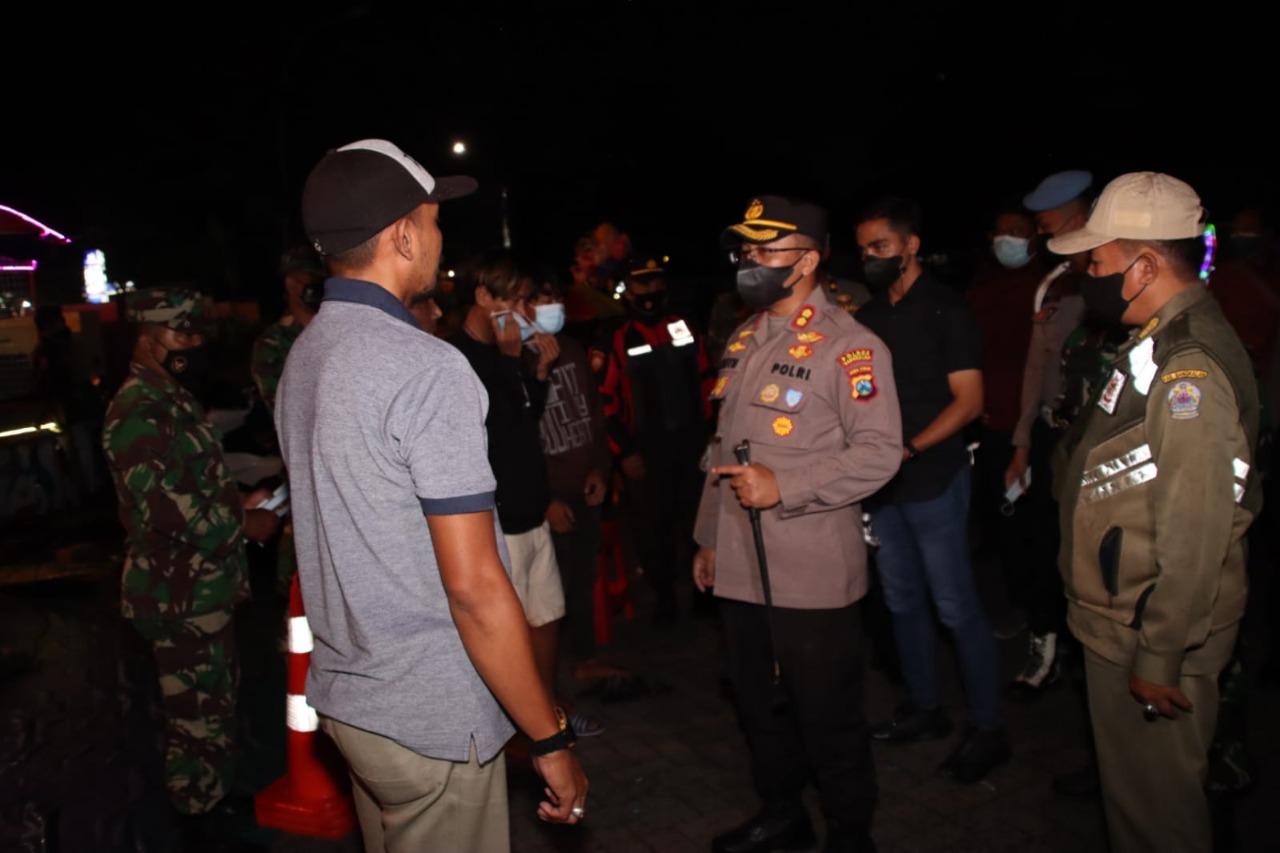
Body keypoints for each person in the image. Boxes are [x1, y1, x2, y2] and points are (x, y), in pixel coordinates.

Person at [275, 139, 587, 852]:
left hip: (355, 700)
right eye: (434, 221)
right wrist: (549, 737)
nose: (441, 239)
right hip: (428, 712)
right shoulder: (425, 368)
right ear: (404, 235)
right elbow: (475, 587)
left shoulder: (308, 353)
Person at [1050, 172, 1260, 853]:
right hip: (1128, 614)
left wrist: (1162, 654)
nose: (1089, 277)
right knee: (1138, 806)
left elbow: (1197, 530)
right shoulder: (1159, 339)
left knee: (1156, 820)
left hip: (1148, 627)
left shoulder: (1188, 368)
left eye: (1097, 263)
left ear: (1143, 267)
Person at [694, 195, 902, 853]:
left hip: (810, 574)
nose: (750, 262)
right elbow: (722, 449)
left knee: (827, 719)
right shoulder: (746, 337)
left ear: (808, 261)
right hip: (741, 565)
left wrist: (786, 485)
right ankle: (783, 814)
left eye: (766, 251)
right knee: (760, 710)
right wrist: (708, 537)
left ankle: (850, 834)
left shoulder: (851, 346)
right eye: (746, 251)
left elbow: (880, 453)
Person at [102, 288, 280, 820]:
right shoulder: (138, 410)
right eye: (182, 334)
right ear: (146, 338)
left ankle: (211, 795)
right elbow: (164, 508)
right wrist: (244, 524)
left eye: (198, 334)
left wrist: (238, 501)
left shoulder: (172, 399)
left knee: (214, 704)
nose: (193, 345)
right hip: (175, 593)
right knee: (196, 715)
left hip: (201, 588)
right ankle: (199, 813)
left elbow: (191, 486)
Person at [854, 197, 1010, 784]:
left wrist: (909, 448)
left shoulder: (947, 309)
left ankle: (988, 728)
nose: (871, 258)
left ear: (911, 245)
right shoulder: (868, 317)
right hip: (883, 485)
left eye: (881, 247)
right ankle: (925, 708)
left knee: (954, 604)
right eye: (864, 250)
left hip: (934, 475)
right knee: (901, 601)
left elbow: (968, 403)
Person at [447, 249, 567, 709]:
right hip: (495, 524)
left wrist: (537, 373)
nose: (523, 311)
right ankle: (519, 724)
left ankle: (547, 711)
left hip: (531, 509)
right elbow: (491, 432)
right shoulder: (455, 359)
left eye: (525, 300)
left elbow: (525, 424)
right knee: (508, 631)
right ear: (482, 297)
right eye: (513, 300)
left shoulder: (508, 354)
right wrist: (510, 362)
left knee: (547, 616)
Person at [1004, 170, 1095, 698]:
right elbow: (1035, 371)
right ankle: (1046, 649)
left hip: (1094, 441)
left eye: (1046, 223)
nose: (1040, 234)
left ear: (1077, 218)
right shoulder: (1054, 282)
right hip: (1049, 435)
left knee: (1090, 554)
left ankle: (1090, 656)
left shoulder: (1115, 277)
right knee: (1044, 548)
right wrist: (1021, 444)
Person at [601, 253, 715, 623]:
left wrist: (713, 435)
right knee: (652, 529)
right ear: (628, 290)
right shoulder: (616, 338)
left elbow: (707, 380)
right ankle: (664, 597)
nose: (651, 290)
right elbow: (604, 402)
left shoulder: (684, 326)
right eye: (642, 283)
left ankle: (704, 593)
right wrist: (625, 452)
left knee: (698, 522)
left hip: (692, 446)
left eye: (656, 281)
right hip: (645, 453)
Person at [250, 245, 325, 413]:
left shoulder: (336, 328)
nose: (321, 285)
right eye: (313, 279)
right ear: (291, 284)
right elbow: (284, 409)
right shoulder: (272, 344)